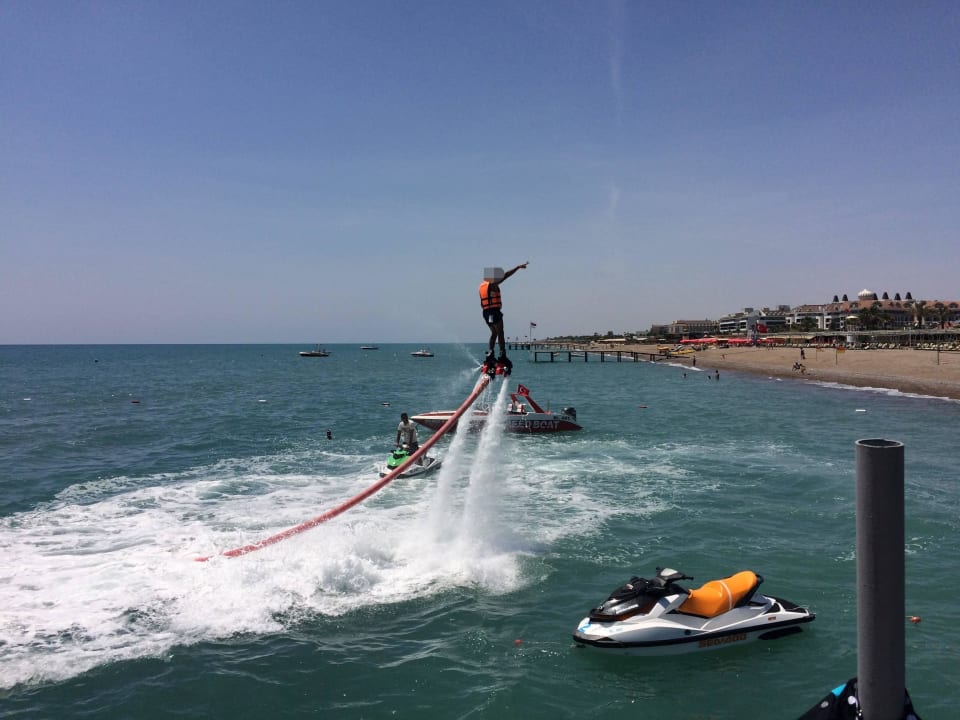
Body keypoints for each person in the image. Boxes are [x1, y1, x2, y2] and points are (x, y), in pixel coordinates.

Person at [479, 263, 528, 367]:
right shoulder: (492, 284)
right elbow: (506, 275)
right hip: (494, 311)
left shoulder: (482, 286)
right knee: (500, 333)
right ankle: (502, 355)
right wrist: (518, 267)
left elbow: (481, 303)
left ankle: (490, 353)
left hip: (486, 313)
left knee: (494, 333)